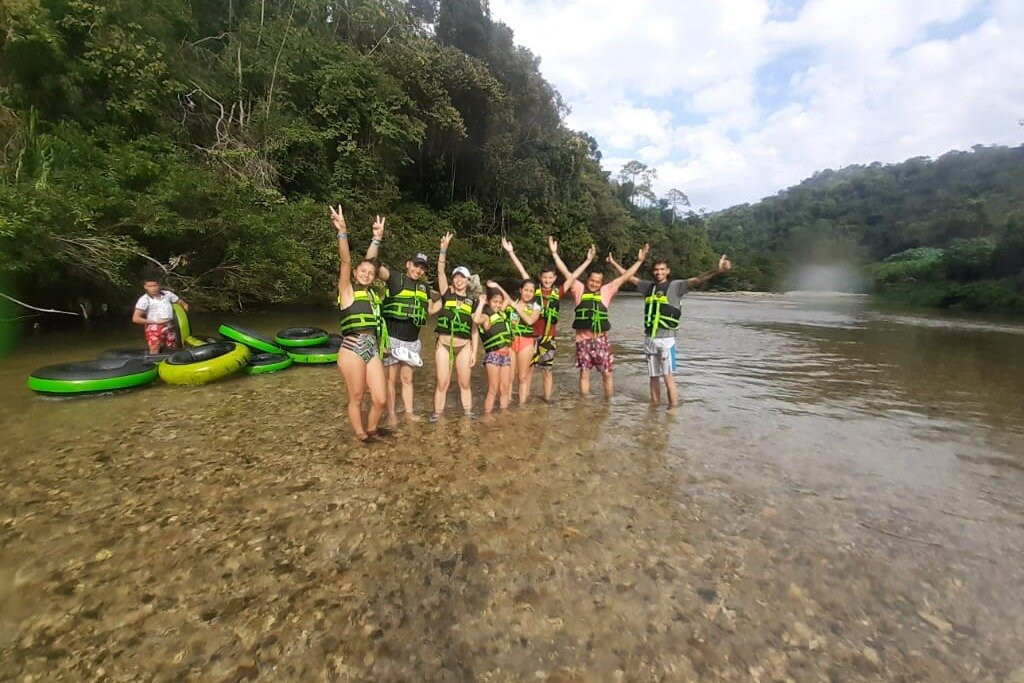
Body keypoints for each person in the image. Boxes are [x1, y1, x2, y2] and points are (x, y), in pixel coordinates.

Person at [608, 253, 733, 406]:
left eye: (662, 269)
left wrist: (717, 270)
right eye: (656, 270)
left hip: (667, 340)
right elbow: (628, 277)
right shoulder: (649, 287)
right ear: (653, 272)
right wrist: (614, 263)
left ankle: (672, 412)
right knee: (653, 377)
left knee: (668, 377)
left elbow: (698, 279)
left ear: (667, 271)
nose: (659, 272)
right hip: (650, 340)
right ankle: (654, 408)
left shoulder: (677, 286)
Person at [552, 239, 650, 397]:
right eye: (592, 280)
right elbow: (566, 272)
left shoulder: (606, 290)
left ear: (601, 283)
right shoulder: (578, 288)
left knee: (607, 374)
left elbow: (625, 276)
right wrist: (555, 254)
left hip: (601, 340)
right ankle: (584, 405)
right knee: (584, 375)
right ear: (587, 280)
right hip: (582, 341)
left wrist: (639, 261)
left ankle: (607, 405)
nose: (594, 284)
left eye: (597, 282)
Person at [364, 215, 434, 425]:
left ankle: (409, 412)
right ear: (408, 264)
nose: (418, 270)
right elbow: (371, 264)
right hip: (392, 337)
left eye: (422, 268)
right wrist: (376, 239)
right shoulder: (395, 278)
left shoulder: (425, 288)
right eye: (415, 265)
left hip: (412, 341)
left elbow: (429, 310)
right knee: (391, 379)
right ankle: (392, 413)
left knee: (407, 379)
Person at [330, 205, 388, 442]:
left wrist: (376, 238)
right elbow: (345, 261)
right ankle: (362, 436)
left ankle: (373, 428)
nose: (366, 274)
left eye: (370, 273)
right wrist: (342, 231)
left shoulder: (373, 295)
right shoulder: (347, 291)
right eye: (361, 271)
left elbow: (370, 262)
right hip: (352, 347)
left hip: (372, 347)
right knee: (356, 397)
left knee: (380, 399)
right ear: (355, 273)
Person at [500, 237, 564, 401]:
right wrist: (510, 252)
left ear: (555, 278)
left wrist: (555, 254)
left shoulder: (558, 292)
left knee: (547, 370)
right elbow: (522, 272)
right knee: (526, 370)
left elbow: (572, 276)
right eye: (544, 278)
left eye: (550, 278)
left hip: (548, 336)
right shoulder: (533, 291)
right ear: (540, 278)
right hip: (530, 336)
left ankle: (547, 399)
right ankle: (524, 398)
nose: (547, 280)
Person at [430, 234, 480, 421]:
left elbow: (474, 330)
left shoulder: (473, 302)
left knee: (464, 383)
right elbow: (440, 272)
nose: (459, 280)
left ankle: (467, 413)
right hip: (443, 345)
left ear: (468, 281)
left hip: (464, 346)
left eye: (463, 277)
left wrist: (475, 351)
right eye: (456, 277)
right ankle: (438, 414)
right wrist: (443, 249)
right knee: (442, 383)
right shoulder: (446, 296)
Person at [474, 285, 514, 414]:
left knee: (505, 387)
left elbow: (507, 297)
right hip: (493, 356)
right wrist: (481, 302)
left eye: (499, 302)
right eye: (494, 302)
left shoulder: (500, 313)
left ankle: (503, 412)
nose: (497, 305)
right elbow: (476, 319)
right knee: (493, 388)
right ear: (489, 302)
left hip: (506, 355)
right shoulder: (486, 316)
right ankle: (487, 414)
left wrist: (497, 286)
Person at [132, 278, 188, 355]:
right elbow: (136, 318)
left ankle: (170, 364)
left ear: (159, 285)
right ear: (145, 287)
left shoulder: (168, 294)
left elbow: (183, 304)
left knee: (172, 348)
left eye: (155, 285)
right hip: (154, 327)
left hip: (169, 326)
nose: (153, 288)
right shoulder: (144, 299)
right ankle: (154, 362)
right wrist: (156, 321)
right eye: (150, 286)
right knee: (155, 348)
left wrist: (183, 317)